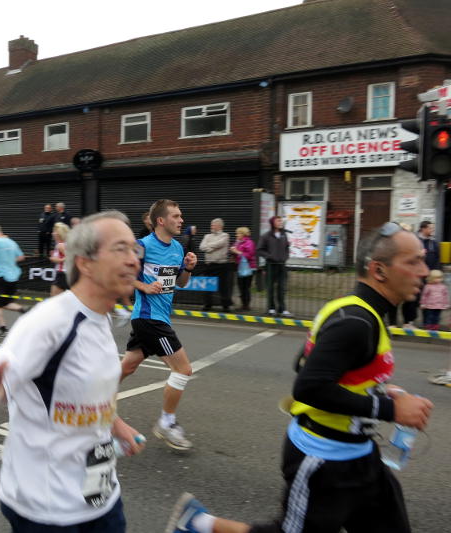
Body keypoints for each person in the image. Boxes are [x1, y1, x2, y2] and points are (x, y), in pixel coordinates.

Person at [166, 221, 435, 533]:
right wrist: (390, 410)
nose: (424, 270)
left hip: (361, 455)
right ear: (379, 270)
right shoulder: (355, 322)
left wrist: (380, 389)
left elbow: (308, 364)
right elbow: (309, 385)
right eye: (413, 261)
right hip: (323, 459)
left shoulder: (357, 310)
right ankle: (199, 524)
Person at [0, 211, 146, 532]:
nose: (134, 260)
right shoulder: (49, 321)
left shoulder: (100, 317)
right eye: (121, 249)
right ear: (85, 263)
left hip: (101, 496)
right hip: (48, 509)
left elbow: (79, 387)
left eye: (135, 250)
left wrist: (115, 424)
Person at [121, 199, 198, 450]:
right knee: (183, 370)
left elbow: (182, 283)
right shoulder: (142, 246)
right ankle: (167, 423)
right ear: (161, 221)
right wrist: (144, 286)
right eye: (176, 216)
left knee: (128, 366)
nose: (181, 220)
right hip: (148, 318)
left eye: (181, 215)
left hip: (159, 317)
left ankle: (91, 403)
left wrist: (187, 268)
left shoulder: (178, 248)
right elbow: (122, 273)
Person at [257, 216, 291, 317]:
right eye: (278, 221)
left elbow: (287, 247)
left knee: (282, 287)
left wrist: (285, 256)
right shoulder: (266, 236)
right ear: (273, 223)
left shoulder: (284, 235)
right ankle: (271, 308)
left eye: (281, 220)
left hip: (282, 265)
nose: (280, 222)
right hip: (270, 266)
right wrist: (269, 256)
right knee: (270, 288)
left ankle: (282, 309)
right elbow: (259, 249)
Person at [199, 218, 233, 312]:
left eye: (213, 225)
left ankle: (225, 306)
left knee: (223, 286)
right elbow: (202, 247)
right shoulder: (207, 236)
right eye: (211, 225)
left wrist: (209, 247)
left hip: (222, 264)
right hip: (209, 264)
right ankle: (207, 304)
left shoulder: (225, 236)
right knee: (208, 286)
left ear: (220, 226)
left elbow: (220, 244)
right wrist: (211, 248)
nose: (211, 226)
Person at [230, 227, 256, 312]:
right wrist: (232, 251)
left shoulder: (249, 242)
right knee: (241, 286)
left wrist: (237, 252)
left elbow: (249, 255)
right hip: (239, 267)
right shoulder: (238, 242)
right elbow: (234, 252)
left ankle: (246, 305)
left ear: (243, 234)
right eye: (236, 233)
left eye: (238, 233)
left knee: (246, 287)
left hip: (248, 268)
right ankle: (243, 304)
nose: (236, 235)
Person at [49, 222, 70, 296]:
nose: (52, 233)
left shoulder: (60, 245)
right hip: (64, 274)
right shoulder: (64, 244)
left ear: (59, 233)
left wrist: (57, 260)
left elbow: (70, 257)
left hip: (62, 274)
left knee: (54, 297)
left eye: (54, 231)